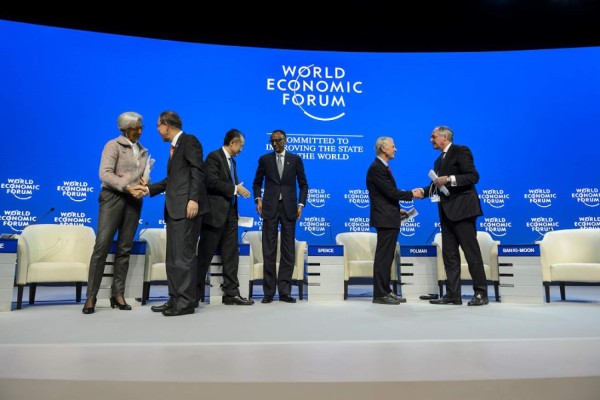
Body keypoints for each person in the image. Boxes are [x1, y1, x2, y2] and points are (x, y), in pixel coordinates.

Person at [82, 111, 150, 315]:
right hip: (113, 197)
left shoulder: (143, 150)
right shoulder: (113, 145)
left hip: (134, 200)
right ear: (124, 129)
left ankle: (118, 294)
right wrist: (126, 186)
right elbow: (104, 173)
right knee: (102, 245)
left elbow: (140, 175)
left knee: (125, 247)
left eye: (141, 127)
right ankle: (91, 296)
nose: (139, 131)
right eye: (135, 128)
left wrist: (143, 183)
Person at [414, 125, 488, 306]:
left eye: (433, 136)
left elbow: (473, 177)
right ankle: (453, 294)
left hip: (463, 211)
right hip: (446, 214)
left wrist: (449, 179)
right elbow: (437, 186)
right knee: (450, 256)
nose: (431, 140)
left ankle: (481, 293)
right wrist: (422, 192)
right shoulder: (438, 162)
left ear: (444, 137)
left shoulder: (460, 151)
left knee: (471, 254)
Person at [146, 110, 209, 316]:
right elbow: (172, 180)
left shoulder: (189, 141)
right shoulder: (175, 147)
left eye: (158, 126)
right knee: (173, 259)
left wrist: (193, 199)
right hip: (174, 210)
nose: (157, 130)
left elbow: (198, 171)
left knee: (184, 258)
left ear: (166, 125)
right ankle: (174, 299)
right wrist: (148, 189)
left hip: (187, 209)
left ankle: (186, 302)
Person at [196, 129, 254, 306]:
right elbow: (211, 182)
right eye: (241, 146)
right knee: (204, 256)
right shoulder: (214, 157)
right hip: (214, 216)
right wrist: (235, 189)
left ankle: (231, 294)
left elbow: (229, 188)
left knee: (231, 257)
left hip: (230, 216)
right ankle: (193, 295)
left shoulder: (232, 162)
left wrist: (234, 207)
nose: (241, 149)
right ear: (233, 143)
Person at [252, 129, 309, 304]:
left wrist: (301, 204)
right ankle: (268, 292)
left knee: (288, 250)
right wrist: (258, 199)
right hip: (269, 208)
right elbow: (257, 182)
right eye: (272, 141)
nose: (274, 144)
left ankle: (285, 291)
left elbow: (304, 185)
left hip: (289, 208)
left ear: (285, 140)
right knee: (269, 250)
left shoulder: (295, 159)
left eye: (277, 141)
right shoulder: (265, 159)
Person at [366, 136, 421, 305]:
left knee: (387, 257)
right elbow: (390, 192)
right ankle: (380, 294)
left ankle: (386, 290)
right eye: (393, 146)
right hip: (385, 219)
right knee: (383, 257)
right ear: (383, 148)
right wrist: (412, 194)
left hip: (389, 216)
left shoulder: (382, 167)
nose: (395, 149)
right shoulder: (377, 168)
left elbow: (386, 195)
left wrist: (398, 209)